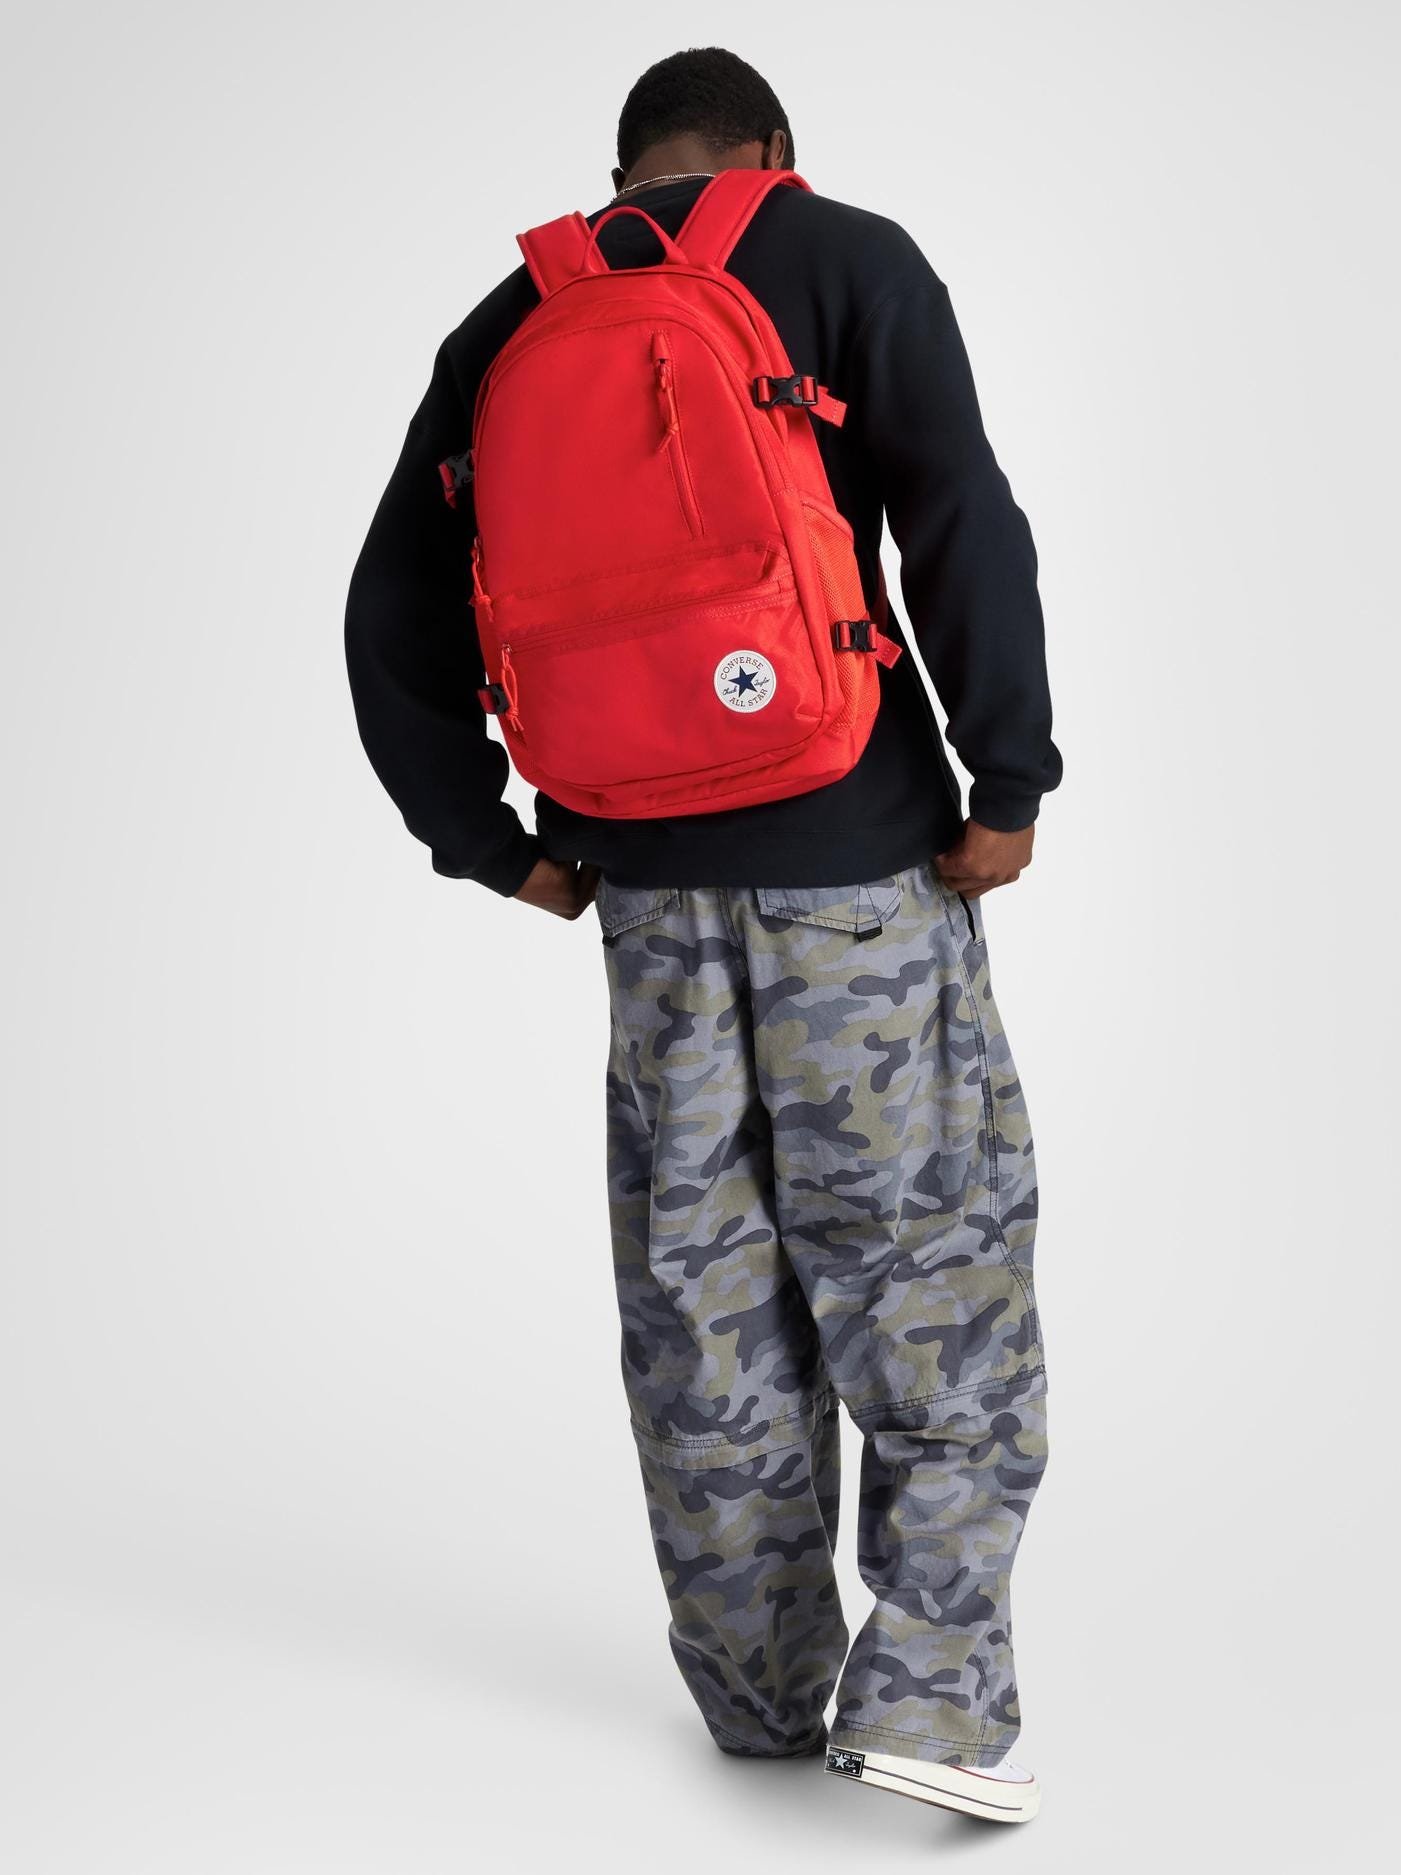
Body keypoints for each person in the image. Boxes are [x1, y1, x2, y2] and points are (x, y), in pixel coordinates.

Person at [346, 46, 1062, 1824]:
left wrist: (488, 844)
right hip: (860, 879)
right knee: (927, 1273)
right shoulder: (848, 256)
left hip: (649, 905)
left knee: (703, 1299)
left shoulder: (519, 313)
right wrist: (1009, 777)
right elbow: (963, 518)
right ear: (774, 153)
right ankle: (933, 1701)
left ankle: (754, 1697)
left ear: (624, 177)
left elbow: (389, 605)